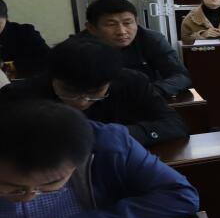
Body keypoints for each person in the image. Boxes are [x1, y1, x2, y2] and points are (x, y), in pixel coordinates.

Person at [0, 101, 201, 218]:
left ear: (78, 162)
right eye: (13, 188)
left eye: (49, 185)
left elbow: (181, 196)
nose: (28, 197)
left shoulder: (110, 145)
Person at [1, 37, 187, 147]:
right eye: (69, 91)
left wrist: (120, 134)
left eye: (95, 93)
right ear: (53, 77)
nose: (82, 102)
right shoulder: (19, 96)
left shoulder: (132, 82)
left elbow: (174, 125)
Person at [83, 0, 191, 97]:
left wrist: (149, 92)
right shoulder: (79, 47)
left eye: (127, 23)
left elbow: (181, 76)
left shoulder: (151, 40)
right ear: (91, 28)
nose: (122, 31)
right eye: (111, 24)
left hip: (146, 98)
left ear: (136, 21)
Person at [0, 0, 50, 79]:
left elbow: (47, 60)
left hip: (26, 82)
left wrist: (6, 69)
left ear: (6, 17)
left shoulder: (25, 32)